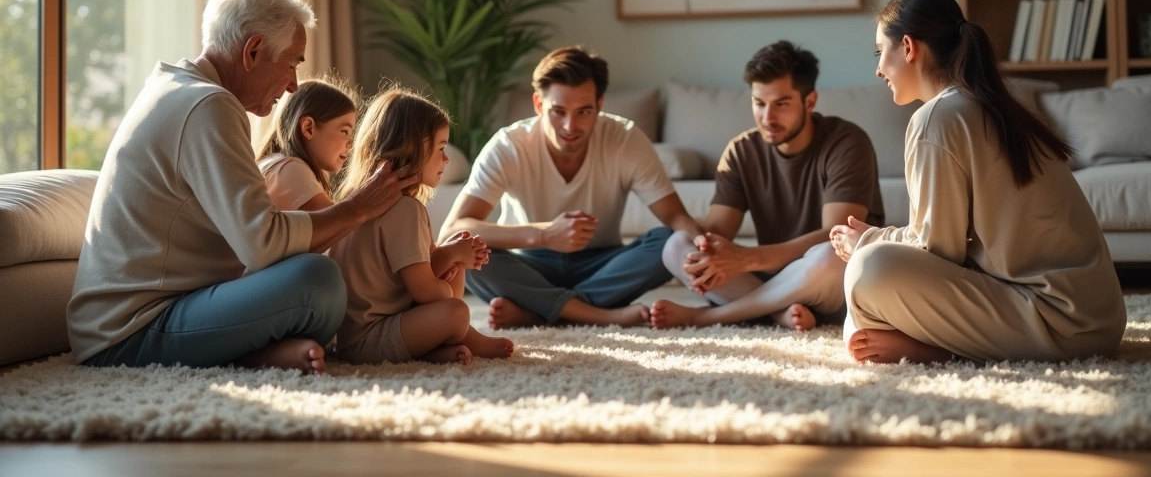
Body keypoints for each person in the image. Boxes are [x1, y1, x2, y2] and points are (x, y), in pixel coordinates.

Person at [67, 0, 415, 375]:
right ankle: (250, 353)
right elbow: (262, 244)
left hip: (136, 320)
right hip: (127, 335)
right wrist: (359, 208)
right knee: (318, 281)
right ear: (252, 51)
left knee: (305, 274)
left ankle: (251, 354)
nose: (293, 85)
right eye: (291, 64)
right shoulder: (207, 104)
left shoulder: (174, 86)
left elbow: (250, 239)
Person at [829, 0, 1126, 364]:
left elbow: (938, 250)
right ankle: (939, 343)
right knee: (863, 296)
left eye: (880, 52)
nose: (878, 69)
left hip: (1056, 323)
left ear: (907, 47)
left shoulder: (937, 118)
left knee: (867, 270)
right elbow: (955, 246)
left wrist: (868, 240)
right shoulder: (991, 106)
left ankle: (936, 350)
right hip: (1099, 323)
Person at [441, 46, 702, 329]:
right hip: (530, 264)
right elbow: (453, 231)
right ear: (538, 104)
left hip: (602, 265)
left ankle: (536, 314)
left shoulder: (626, 139)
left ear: (599, 105)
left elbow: (676, 218)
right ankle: (598, 315)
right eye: (558, 111)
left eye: (583, 111)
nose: (570, 126)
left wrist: (705, 245)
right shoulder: (509, 145)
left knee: (668, 241)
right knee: (467, 256)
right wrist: (544, 235)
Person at [650, 41, 884, 330]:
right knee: (676, 245)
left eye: (781, 104)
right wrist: (704, 246)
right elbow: (718, 231)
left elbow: (836, 235)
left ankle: (707, 317)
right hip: (775, 278)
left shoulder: (847, 142)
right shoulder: (741, 151)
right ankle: (779, 313)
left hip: (832, 282)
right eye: (759, 103)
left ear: (810, 102)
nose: (767, 118)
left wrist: (746, 259)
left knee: (829, 254)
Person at [328, 87, 513, 364]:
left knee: (453, 268)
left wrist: (450, 257)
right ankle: (468, 337)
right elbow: (424, 292)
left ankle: (434, 350)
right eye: (441, 148)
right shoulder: (404, 209)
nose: (446, 159)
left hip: (355, 336)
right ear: (413, 149)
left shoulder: (359, 200)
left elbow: (400, 283)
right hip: (369, 340)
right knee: (456, 312)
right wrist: (448, 274)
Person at [257, 78, 359, 212]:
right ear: (308, 128)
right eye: (345, 131)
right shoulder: (291, 170)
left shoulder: (276, 164)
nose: (351, 144)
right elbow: (341, 223)